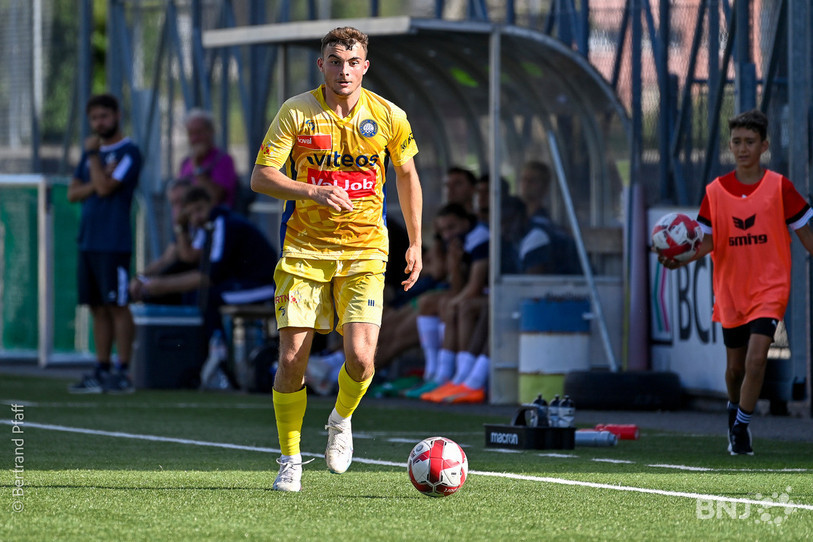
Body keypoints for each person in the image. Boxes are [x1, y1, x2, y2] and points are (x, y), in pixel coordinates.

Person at [250, 26, 423, 492]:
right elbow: (261, 177)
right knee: (292, 359)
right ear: (321, 65)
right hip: (303, 250)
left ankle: (340, 419)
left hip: (365, 250)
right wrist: (312, 190)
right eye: (334, 61)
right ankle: (290, 458)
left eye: (352, 63)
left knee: (362, 360)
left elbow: (407, 175)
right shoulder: (297, 112)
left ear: (365, 67)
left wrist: (415, 242)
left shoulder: (389, 116)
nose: (343, 71)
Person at [656, 109, 813, 455]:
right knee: (734, 370)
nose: (743, 148)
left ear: (764, 146)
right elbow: (706, 242)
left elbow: (806, 236)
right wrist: (678, 259)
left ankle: (741, 427)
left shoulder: (780, 187)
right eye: (737, 141)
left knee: (757, 360)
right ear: (729, 145)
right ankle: (734, 408)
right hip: (731, 291)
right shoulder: (715, 191)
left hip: (770, 289)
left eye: (750, 142)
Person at [130, 186, 277, 347]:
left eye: (199, 209)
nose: (196, 217)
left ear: (210, 203)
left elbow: (208, 276)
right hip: (242, 283)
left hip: (265, 286)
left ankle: (216, 349)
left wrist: (163, 285)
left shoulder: (222, 223)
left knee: (209, 296)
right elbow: (188, 257)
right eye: (190, 213)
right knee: (195, 295)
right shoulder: (207, 226)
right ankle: (197, 349)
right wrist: (181, 227)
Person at [67, 93, 142, 394]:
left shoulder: (128, 152)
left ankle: (123, 372)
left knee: (118, 305)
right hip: (89, 240)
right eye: (94, 118)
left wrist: (94, 160)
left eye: (104, 116)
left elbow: (105, 187)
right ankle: (102, 368)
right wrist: (96, 176)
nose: (99, 123)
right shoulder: (93, 155)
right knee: (97, 307)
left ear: (117, 116)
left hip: (114, 242)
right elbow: (73, 193)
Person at [128, 178, 200, 305]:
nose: (178, 208)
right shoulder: (182, 227)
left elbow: (188, 257)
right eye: (174, 203)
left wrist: (162, 285)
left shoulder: (203, 224)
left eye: (181, 201)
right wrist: (140, 277)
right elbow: (166, 259)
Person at [516, 161, 580, 274]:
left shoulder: (541, 230)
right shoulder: (521, 221)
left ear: (545, 187)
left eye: (532, 181)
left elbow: (533, 280)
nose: (526, 184)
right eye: (524, 179)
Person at [178, 109, 239, 209]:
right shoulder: (186, 162)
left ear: (211, 132)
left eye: (199, 133)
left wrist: (198, 167)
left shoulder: (223, 160)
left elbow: (213, 198)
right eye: (191, 134)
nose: (195, 138)